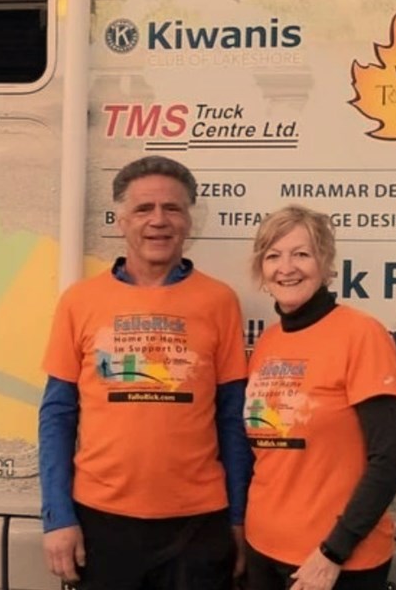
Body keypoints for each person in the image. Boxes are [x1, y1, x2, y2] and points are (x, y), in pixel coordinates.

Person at [38, 155, 253, 590]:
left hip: (199, 524)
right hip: (100, 522)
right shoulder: (80, 301)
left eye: (172, 208)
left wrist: (238, 518)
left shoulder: (220, 301)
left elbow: (233, 417)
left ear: (189, 220)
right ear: (121, 220)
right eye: (144, 209)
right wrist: (57, 517)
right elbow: (57, 415)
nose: (159, 220)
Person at [242, 205, 396, 590]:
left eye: (302, 253)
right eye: (273, 255)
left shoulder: (361, 334)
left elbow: (388, 461)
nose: (287, 267)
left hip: (335, 563)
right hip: (262, 549)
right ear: (262, 272)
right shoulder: (266, 343)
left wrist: (333, 553)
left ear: (326, 262)